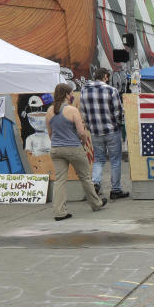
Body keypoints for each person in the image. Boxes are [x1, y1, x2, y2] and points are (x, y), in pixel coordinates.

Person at [46, 83, 107, 221]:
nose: (73, 95)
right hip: (73, 147)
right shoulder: (72, 110)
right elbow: (81, 132)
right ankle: (96, 203)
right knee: (85, 177)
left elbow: (50, 133)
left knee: (60, 180)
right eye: (71, 93)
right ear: (67, 95)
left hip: (56, 149)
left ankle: (59, 212)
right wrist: (84, 142)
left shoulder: (50, 111)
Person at [80, 68, 128, 200]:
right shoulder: (111, 90)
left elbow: (83, 112)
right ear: (105, 76)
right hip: (112, 130)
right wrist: (118, 125)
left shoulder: (84, 91)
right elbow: (118, 111)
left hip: (95, 132)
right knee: (115, 161)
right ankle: (116, 189)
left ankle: (95, 183)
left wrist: (90, 127)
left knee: (99, 160)